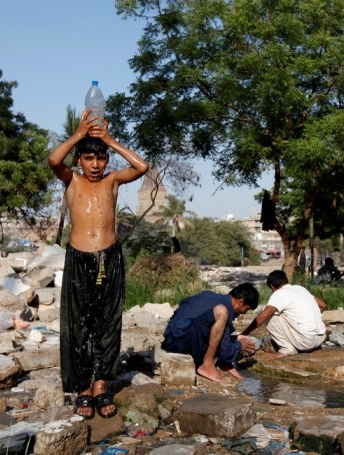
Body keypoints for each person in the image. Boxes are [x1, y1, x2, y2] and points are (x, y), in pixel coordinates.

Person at [48, 109, 149, 419]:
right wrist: (80, 135)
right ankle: (81, 388)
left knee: (107, 323)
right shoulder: (72, 180)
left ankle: (101, 385)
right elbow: (53, 161)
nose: (94, 165)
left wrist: (109, 140)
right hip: (79, 258)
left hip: (109, 257)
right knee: (78, 325)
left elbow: (142, 166)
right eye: (89, 159)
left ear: (106, 161)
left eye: (100, 159)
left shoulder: (113, 182)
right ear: (80, 160)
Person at [161, 283, 259, 383]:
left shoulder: (206, 295)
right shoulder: (224, 308)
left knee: (219, 332)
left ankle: (220, 363)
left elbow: (183, 304)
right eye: (246, 309)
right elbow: (225, 352)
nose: (243, 313)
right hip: (184, 345)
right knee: (222, 312)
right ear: (240, 301)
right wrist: (240, 346)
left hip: (169, 341)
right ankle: (207, 365)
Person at [241, 270, 327, 359]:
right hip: (320, 338)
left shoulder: (279, 293)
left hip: (305, 342)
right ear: (286, 281)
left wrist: (244, 333)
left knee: (268, 313)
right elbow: (323, 305)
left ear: (272, 286)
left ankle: (287, 348)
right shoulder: (299, 288)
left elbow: (265, 315)